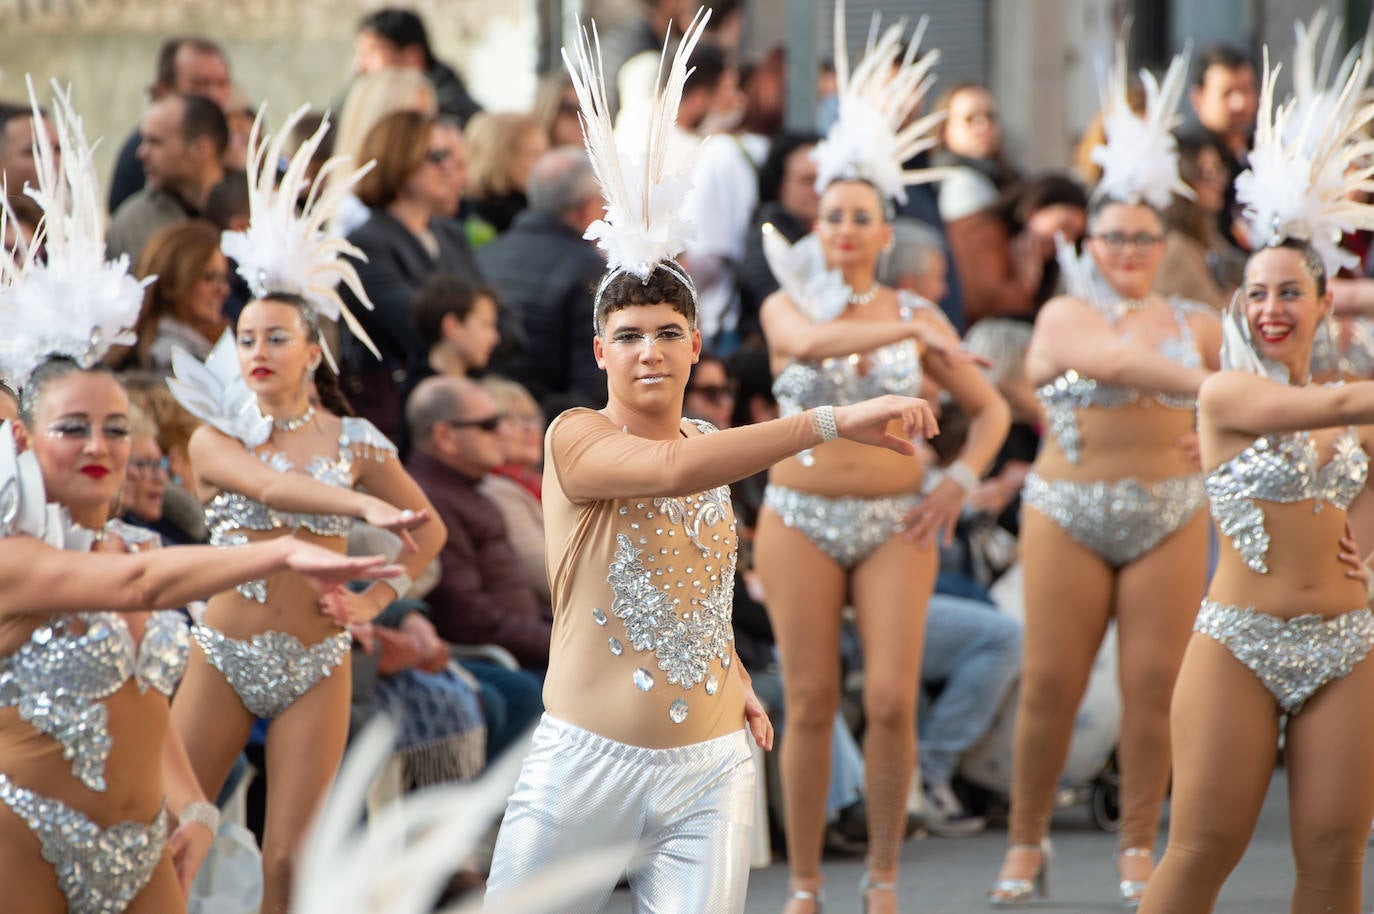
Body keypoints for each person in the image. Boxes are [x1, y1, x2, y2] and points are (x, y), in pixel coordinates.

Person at [484, 12, 941, 912]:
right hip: (584, 767)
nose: (648, 351)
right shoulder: (573, 435)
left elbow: (697, 580)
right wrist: (833, 418)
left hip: (710, 769)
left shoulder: (708, 444)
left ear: (696, 346)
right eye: (628, 336)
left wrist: (730, 677)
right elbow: (662, 479)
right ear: (600, 346)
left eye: (666, 334)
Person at [0, 85, 400, 914]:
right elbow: (155, 585)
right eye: (73, 429)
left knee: (292, 860)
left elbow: (144, 695)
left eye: (117, 430)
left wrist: (193, 808)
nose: (102, 448)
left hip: (147, 847)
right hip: (25, 846)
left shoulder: (127, 546)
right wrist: (290, 548)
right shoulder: (19, 562)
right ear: (22, 443)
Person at [755, 10, 1011, 913]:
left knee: (895, 701)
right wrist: (910, 325)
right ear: (815, 221)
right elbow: (814, 342)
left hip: (897, 522)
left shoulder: (916, 309)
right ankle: (807, 881)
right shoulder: (787, 307)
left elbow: (991, 413)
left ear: (883, 223)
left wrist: (957, 481)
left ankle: (886, 874)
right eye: (833, 216)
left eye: (863, 216)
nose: (847, 230)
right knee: (814, 698)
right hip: (798, 519)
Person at [166, 109, 446, 914]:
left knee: (291, 862)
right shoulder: (215, 437)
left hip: (316, 661)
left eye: (276, 338)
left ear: (312, 350)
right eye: (246, 337)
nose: (256, 351)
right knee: (171, 833)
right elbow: (274, 491)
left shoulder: (355, 437)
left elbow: (431, 528)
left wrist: (377, 598)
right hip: (221, 653)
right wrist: (358, 504)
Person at [1138, 40, 1374, 914]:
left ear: (1324, 303)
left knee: (1334, 857)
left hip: (1349, 645)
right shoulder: (1229, 392)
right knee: (1201, 850)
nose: (1270, 309)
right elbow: (1304, 415)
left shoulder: (1348, 396)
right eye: (1256, 295)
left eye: (1289, 294)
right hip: (1238, 642)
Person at [989, 45, 1223, 906]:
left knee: (1152, 686)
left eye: (1143, 236)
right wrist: (1214, 392)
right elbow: (1120, 358)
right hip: (1066, 509)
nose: (1128, 248)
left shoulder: (1199, 323)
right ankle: (1023, 842)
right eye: (1114, 234)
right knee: (1051, 682)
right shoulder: (1064, 311)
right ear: (1090, 236)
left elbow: (1264, 389)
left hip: (1168, 511)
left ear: (1162, 243)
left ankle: (1136, 848)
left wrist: (1221, 429)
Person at [404, 376, 549, 759]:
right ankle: (495, 818)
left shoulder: (469, 490)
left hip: (522, 647)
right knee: (525, 694)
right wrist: (558, 643)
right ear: (445, 437)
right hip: (489, 654)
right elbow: (467, 615)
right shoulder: (430, 498)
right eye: (488, 425)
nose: (503, 432)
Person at [338, 110, 482, 442]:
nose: (451, 168)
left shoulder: (449, 234)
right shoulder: (366, 242)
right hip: (399, 415)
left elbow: (502, 320)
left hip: (459, 398)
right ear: (399, 158)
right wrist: (475, 326)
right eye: (437, 156)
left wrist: (473, 329)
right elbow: (420, 325)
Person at [477, 147, 609, 411]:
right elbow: (592, 383)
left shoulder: (483, 255)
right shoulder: (590, 268)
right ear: (588, 206)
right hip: (548, 426)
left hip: (482, 413)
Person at [108, 37, 234, 214]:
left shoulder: (243, 141)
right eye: (200, 84)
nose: (215, 96)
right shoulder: (141, 154)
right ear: (164, 90)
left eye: (222, 83)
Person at [945, 173, 1089, 326]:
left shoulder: (1042, 267)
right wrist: (1025, 282)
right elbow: (987, 310)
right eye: (1064, 225)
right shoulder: (981, 233)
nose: (1065, 240)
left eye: (1074, 236)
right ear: (1034, 208)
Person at [106, 94, 228, 264]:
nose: (141, 153)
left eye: (155, 142)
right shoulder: (135, 223)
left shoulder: (252, 210)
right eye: (144, 141)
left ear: (201, 149)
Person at [1180, 44, 1259, 251]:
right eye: (1227, 93)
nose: (1239, 103)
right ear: (1198, 99)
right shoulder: (1187, 155)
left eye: (1246, 90)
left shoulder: (1265, 149)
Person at [126, 219, 232, 371]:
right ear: (170, 283)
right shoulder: (171, 357)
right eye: (209, 277)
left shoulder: (203, 345)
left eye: (223, 278)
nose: (223, 290)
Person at [479, 377, 549, 605]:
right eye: (509, 419)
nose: (529, 428)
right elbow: (548, 574)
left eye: (531, 418)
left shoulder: (545, 483)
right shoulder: (497, 490)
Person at [352, 7, 482, 126]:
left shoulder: (449, 116)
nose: (360, 66)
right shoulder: (361, 96)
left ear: (412, 57)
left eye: (371, 53)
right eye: (360, 53)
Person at [933, 83, 1019, 224]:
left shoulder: (1009, 178)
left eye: (990, 116)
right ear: (945, 129)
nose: (983, 126)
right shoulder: (957, 182)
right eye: (970, 119)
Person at [463, 112, 549, 236]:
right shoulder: (468, 218)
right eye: (533, 154)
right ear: (500, 158)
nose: (544, 162)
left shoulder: (541, 210)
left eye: (545, 152)